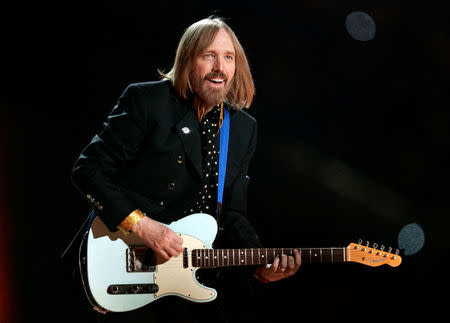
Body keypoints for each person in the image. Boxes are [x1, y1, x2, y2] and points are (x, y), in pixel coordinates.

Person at [69, 16, 301, 322]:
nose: (220, 66)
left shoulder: (243, 128)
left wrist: (260, 264)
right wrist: (140, 224)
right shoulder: (148, 100)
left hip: (184, 286)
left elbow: (231, 213)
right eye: (209, 55)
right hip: (124, 265)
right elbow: (87, 170)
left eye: (228, 57)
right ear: (188, 61)